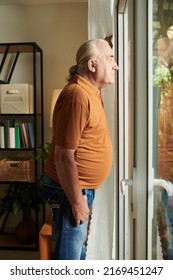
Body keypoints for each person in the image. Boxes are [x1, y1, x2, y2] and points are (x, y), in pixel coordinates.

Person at [42, 38, 119, 260]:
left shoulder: (91, 89)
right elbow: (63, 156)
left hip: (78, 188)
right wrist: (76, 202)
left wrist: (107, 43)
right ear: (92, 65)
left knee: (77, 251)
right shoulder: (77, 96)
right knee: (69, 258)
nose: (116, 65)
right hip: (70, 190)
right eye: (111, 59)